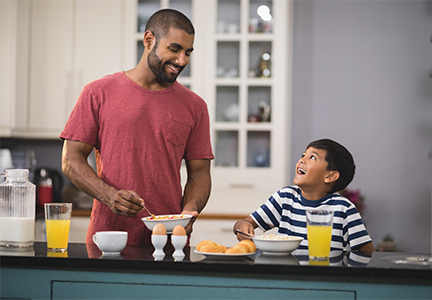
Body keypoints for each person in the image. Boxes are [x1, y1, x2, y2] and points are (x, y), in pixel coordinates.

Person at [60, 9, 214, 245]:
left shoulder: (195, 106)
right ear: (149, 40)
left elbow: (200, 173)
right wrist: (109, 196)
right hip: (108, 239)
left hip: (170, 241)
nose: (182, 60)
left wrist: (190, 209)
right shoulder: (98, 92)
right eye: (174, 49)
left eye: (187, 52)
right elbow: (71, 159)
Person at [233, 138, 375, 254]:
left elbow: (368, 254)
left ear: (330, 176)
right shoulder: (285, 198)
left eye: (312, 157)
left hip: (326, 278)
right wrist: (243, 226)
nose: (302, 160)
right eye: (303, 156)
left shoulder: (343, 209)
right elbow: (243, 223)